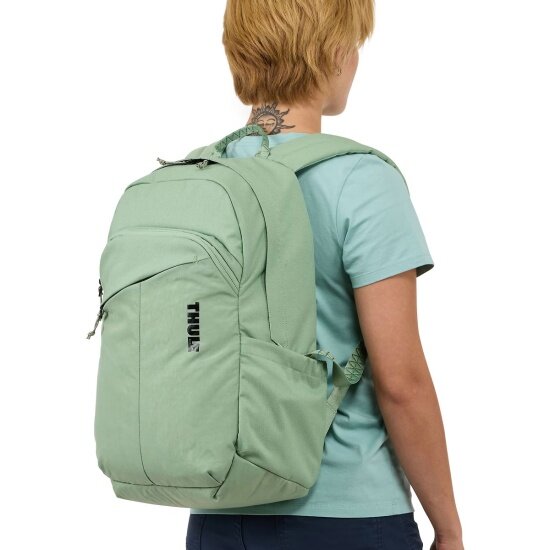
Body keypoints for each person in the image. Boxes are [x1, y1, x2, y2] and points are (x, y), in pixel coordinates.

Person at [186, 1, 464, 549]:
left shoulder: (196, 178)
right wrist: (449, 529)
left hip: (217, 512)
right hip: (347, 518)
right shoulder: (360, 179)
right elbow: (401, 383)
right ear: (335, 52)